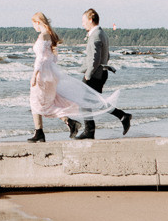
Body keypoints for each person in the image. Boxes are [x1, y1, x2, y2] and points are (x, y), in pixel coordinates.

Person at [27, 12, 118, 142]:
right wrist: (52, 70)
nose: (33, 27)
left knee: (36, 102)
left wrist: (35, 74)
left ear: (37, 22)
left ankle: (42, 132)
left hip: (43, 73)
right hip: (49, 73)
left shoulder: (43, 35)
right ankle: (66, 123)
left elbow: (40, 58)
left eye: (33, 24)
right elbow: (53, 58)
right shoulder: (50, 35)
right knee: (49, 101)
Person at [71, 8, 133, 139]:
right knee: (95, 102)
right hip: (101, 73)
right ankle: (122, 116)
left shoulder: (96, 35)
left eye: (83, 21)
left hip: (95, 74)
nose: (82, 24)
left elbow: (94, 59)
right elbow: (107, 55)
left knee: (83, 101)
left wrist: (88, 74)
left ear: (90, 20)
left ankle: (90, 131)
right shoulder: (102, 33)